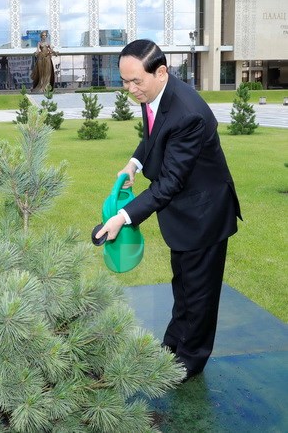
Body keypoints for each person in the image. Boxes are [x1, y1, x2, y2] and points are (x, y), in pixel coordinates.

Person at [95, 39, 242, 381]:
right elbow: (152, 136)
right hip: (184, 212)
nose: (130, 90)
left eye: (136, 82)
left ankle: (189, 362)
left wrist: (123, 217)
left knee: (199, 294)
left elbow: (169, 184)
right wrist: (133, 164)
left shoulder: (187, 114)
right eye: (125, 82)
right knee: (184, 286)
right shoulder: (157, 95)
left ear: (160, 72)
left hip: (204, 215)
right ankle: (173, 348)